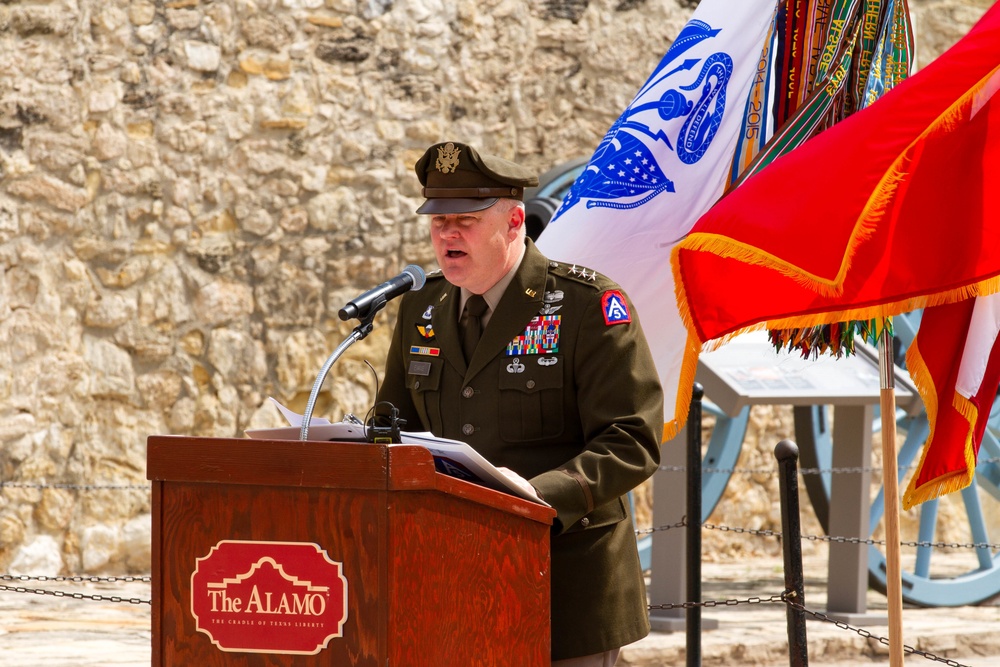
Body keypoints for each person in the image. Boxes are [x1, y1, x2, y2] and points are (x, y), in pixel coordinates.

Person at [376, 141, 664, 666]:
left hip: (563, 583)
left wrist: (536, 495)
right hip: (453, 582)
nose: (448, 234)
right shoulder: (421, 305)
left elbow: (632, 438)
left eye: (465, 219)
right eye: (438, 221)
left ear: (513, 222)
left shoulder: (585, 306)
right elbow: (393, 427)